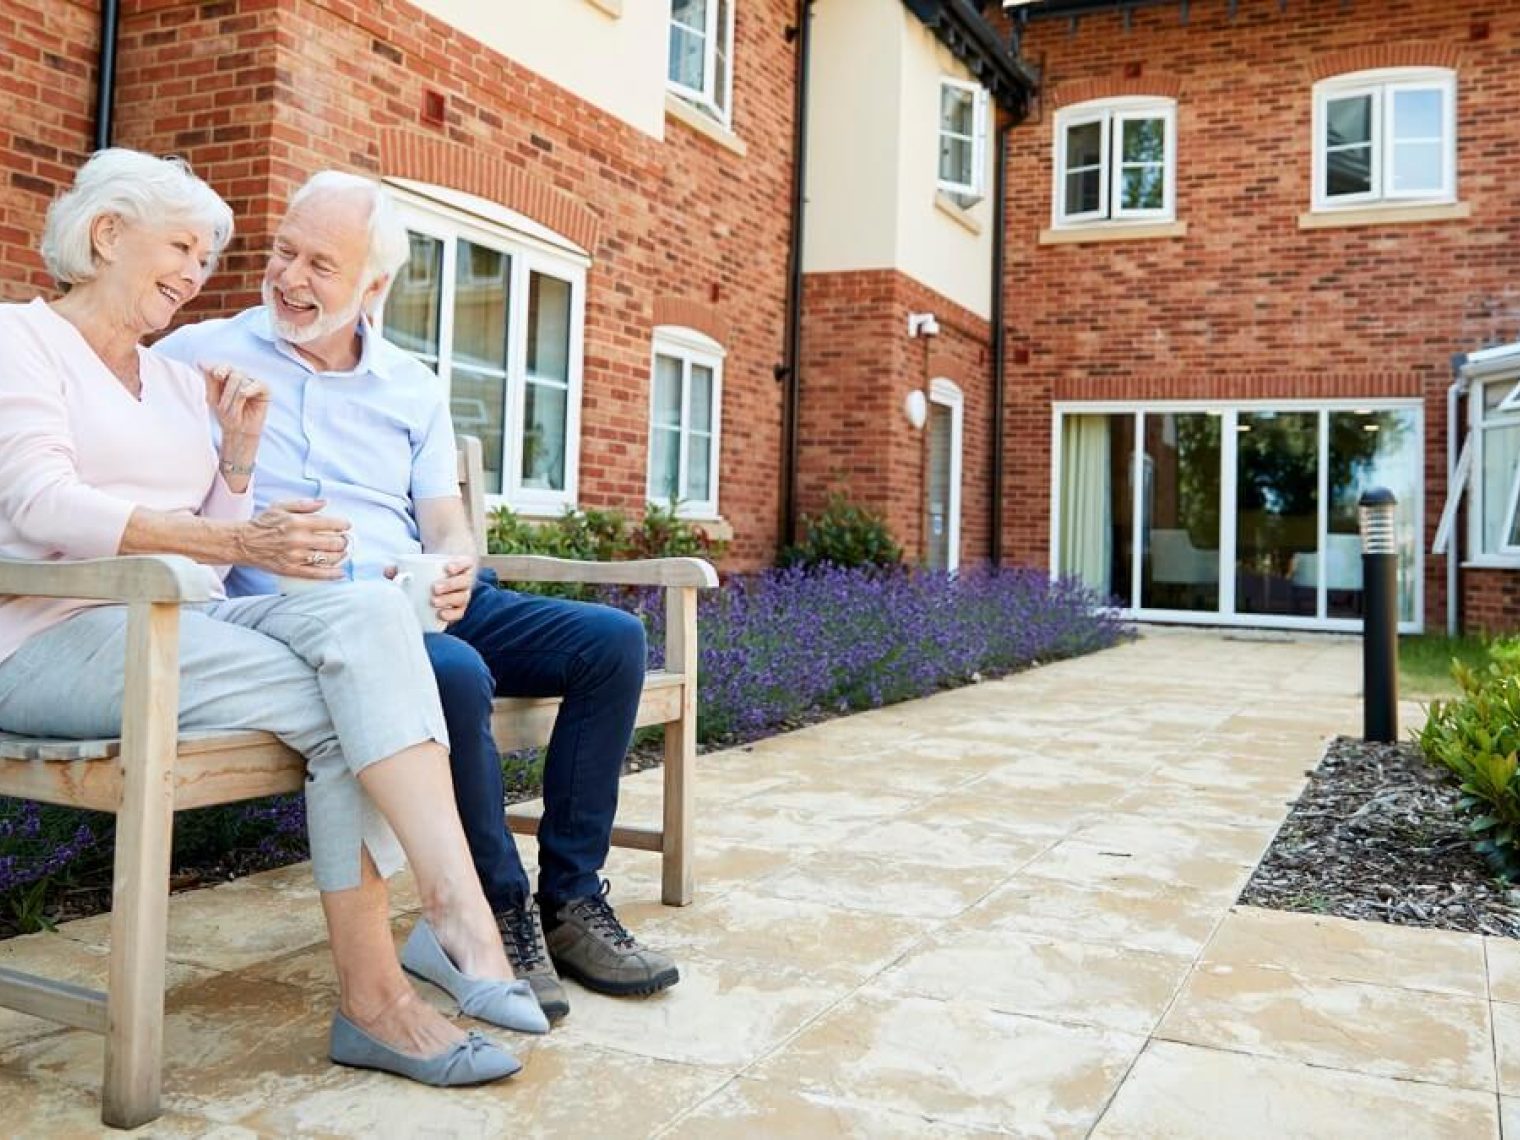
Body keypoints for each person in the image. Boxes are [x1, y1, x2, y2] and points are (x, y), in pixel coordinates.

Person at [0, 149, 549, 1089]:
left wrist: (240, 463)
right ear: (106, 235)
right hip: (52, 635)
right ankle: (426, 955)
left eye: (208, 259)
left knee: (371, 622)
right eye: (181, 247)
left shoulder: (176, 381)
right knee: (360, 696)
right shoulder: (20, 341)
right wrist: (239, 543)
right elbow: (36, 505)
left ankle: (436, 936)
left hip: (182, 630)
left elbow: (215, 541)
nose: (196, 274)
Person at [158, 171, 679, 1023]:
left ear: (374, 285)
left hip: (417, 594)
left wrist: (457, 563)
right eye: (284, 251)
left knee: (612, 641)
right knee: (456, 672)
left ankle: (572, 903)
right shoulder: (196, 355)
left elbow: (443, 518)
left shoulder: (410, 383)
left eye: (321, 265)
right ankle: (496, 912)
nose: (290, 278)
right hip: (309, 618)